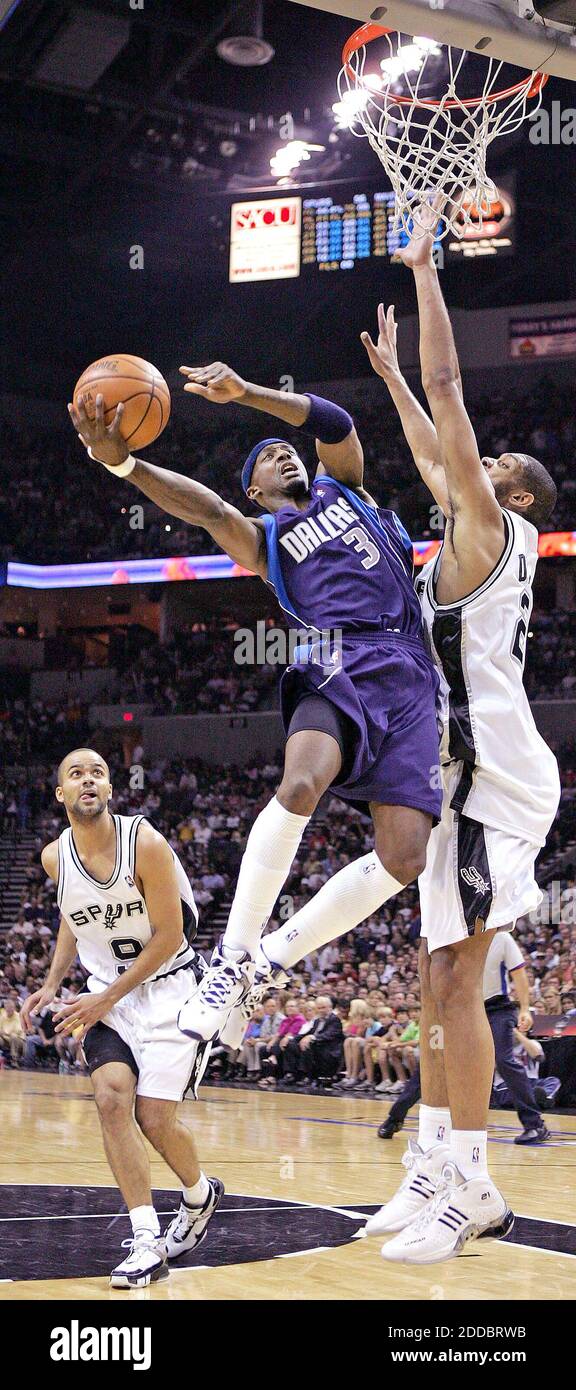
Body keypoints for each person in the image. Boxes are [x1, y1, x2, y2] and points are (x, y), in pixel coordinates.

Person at [68, 367, 442, 1047]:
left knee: (406, 858)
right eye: (266, 457)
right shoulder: (267, 540)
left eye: (283, 448)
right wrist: (122, 462)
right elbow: (207, 509)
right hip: (339, 655)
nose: (282, 452)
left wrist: (248, 395)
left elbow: (332, 421)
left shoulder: (347, 488)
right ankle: (232, 957)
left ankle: (263, 964)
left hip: (413, 671)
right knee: (301, 782)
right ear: (256, 491)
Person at [358, 199, 560, 1263]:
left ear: (511, 491)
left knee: (463, 972)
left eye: (489, 467)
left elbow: (452, 397)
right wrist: (389, 384)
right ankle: (432, 1160)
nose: (467, 469)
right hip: (463, 772)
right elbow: (433, 436)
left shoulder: (495, 525)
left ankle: (472, 1180)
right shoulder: (470, 531)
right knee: (437, 977)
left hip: (496, 774)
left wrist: (428, 273)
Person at [21, 748, 222, 1289]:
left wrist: (104, 998)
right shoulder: (53, 858)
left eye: (98, 773)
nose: (88, 780)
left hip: (171, 991)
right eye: (76, 774)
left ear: (110, 790)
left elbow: (170, 935)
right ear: (60, 793)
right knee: (112, 1099)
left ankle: (200, 1195)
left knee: (155, 1120)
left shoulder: (145, 844)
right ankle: (146, 1236)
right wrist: (51, 982)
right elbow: (73, 916)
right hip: (106, 997)